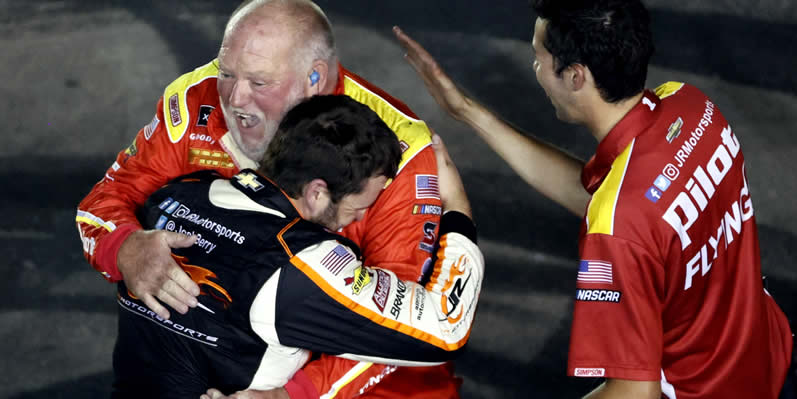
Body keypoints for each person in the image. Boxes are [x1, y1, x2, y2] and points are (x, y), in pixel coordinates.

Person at [393, 0, 794, 397]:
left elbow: (636, 392)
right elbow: (614, 203)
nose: (535, 70)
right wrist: (467, 111)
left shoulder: (620, 224)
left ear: (575, 77)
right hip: (767, 355)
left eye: (539, 58)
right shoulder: (691, 107)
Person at [76, 0, 462, 397]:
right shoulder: (195, 100)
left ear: (315, 78)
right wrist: (123, 248)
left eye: (260, 83)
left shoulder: (396, 151)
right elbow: (109, 197)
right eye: (226, 73)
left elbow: (402, 324)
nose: (235, 98)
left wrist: (296, 394)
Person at [111, 95, 483, 398]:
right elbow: (446, 332)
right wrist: (459, 211)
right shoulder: (302, 264)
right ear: (317, 192)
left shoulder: (175, 194)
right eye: (359, 207)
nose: (355, 222)